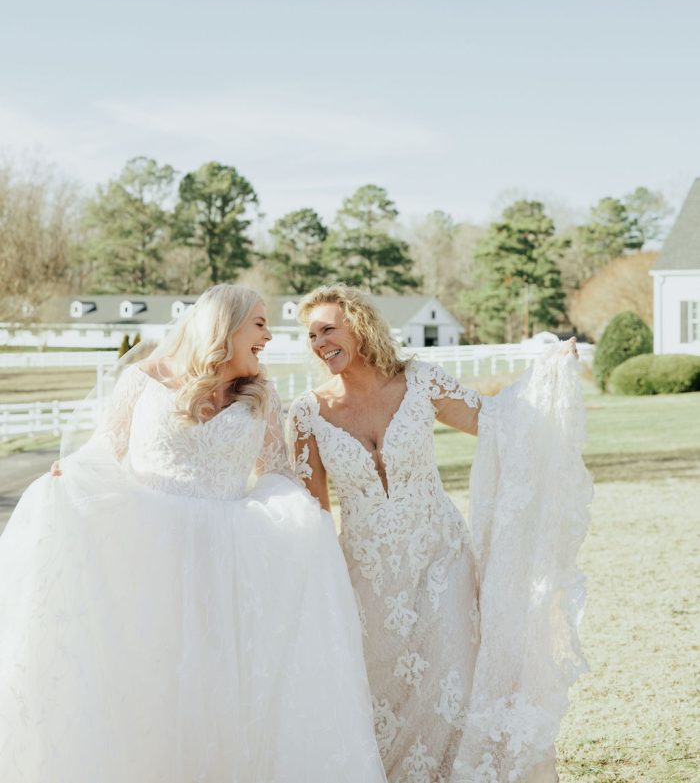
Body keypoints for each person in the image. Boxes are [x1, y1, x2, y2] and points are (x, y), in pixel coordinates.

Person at [0, 284, 387, 783]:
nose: (269, 336)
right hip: (150, 551)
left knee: (221, 687)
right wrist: (67, 479)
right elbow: (103, 451)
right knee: (150, 680)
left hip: (227, 561)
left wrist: (299, 516)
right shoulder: (142, 381)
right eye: (261, 323)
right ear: (226, 325)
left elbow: (276, 471)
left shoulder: (261, 395)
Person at [289, 283, 592, 783]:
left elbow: (500, 422)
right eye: (311, 335)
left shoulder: (420, 382)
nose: (319, 342)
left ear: (360, 326)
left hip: (440, 559)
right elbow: (312, 510)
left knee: (451, 679)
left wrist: (551, 374)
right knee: (383, 692)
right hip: (367, 576)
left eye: (328, 329)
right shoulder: (307, 412)